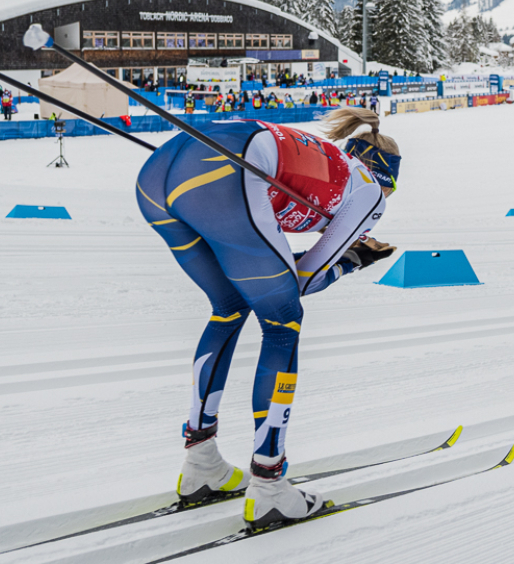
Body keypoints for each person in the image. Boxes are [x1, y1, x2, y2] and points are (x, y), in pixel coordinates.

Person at [135, 107, 401, 529]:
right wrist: (352, 260)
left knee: (228, 307)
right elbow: (302, 283)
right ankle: (270, 485)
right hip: (226, 172)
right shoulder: (370, 191)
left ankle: (202, 461)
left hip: (158, 175)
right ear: (389, 178)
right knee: (283, 322)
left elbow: (259, 268)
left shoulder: (325, 162)